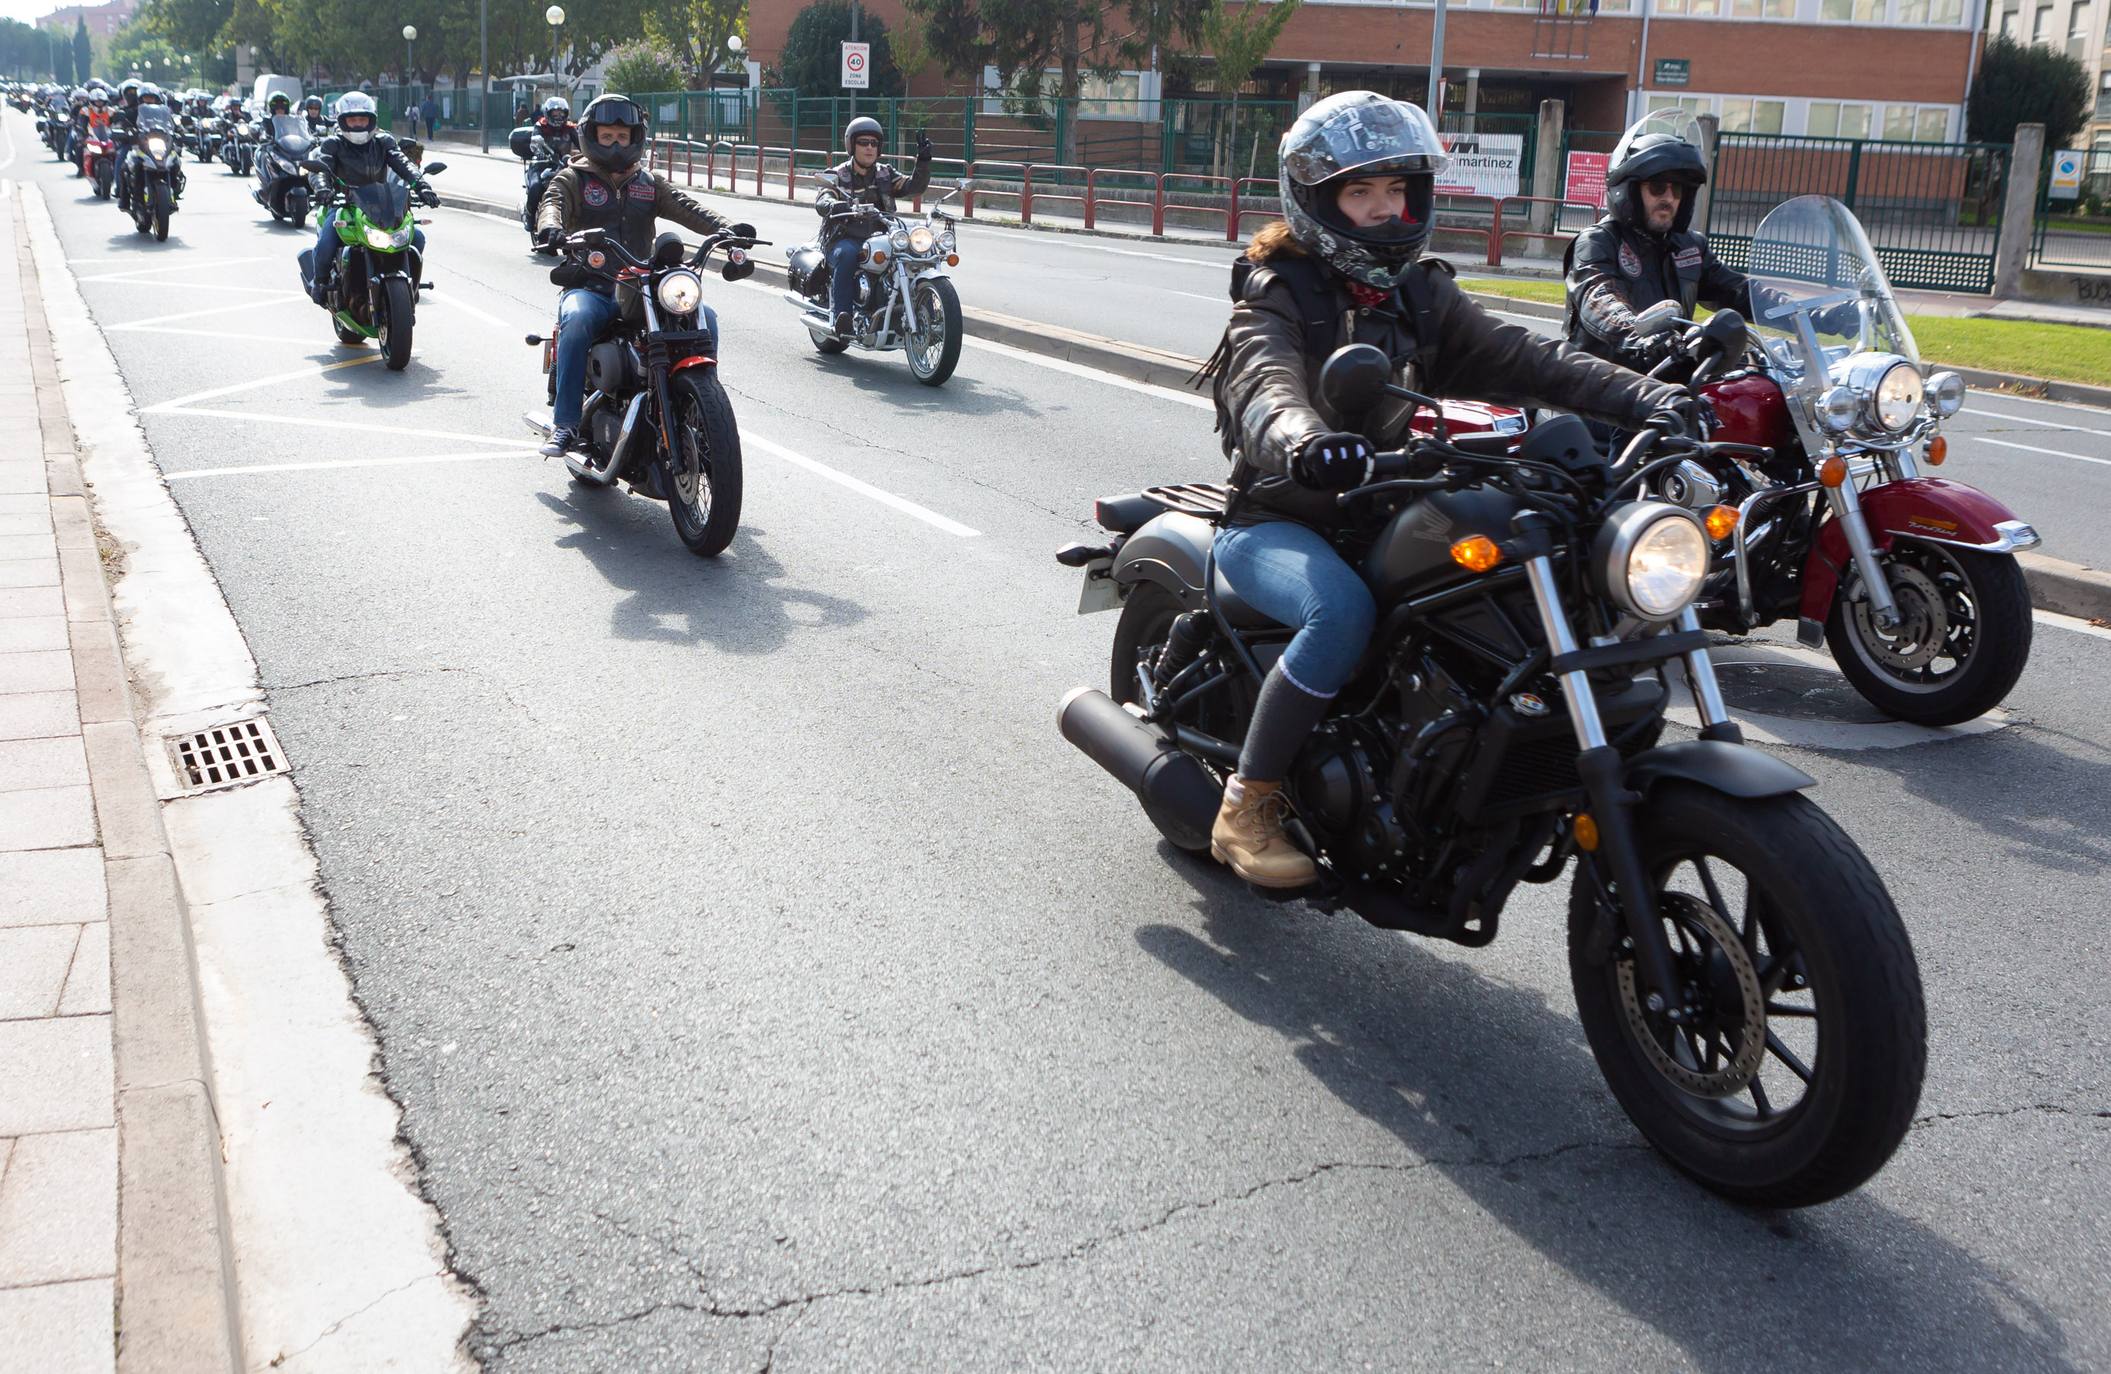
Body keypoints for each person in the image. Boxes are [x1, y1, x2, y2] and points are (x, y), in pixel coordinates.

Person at [1201, 91, 1699, 889]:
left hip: (1391, 503)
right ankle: (1247, 801)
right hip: (1285, 516)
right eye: (1360, 193)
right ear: (1318, 200)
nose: (1383, 210)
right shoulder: (1278, 292)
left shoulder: (1420, 293)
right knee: (1340, 614)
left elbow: (1530, 359)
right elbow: (1264, 386)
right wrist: (1303, 443)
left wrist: (1644, 396)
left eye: (1396, 191)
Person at [531, 94, 751, 458]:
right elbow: (551, 203)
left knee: (704, 318)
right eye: (607, 137)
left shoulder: (647, 182)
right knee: (577, 319)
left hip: (642, 288)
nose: (616, 144)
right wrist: (551, 228)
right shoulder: (574, 178)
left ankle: (702, 407)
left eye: (622, 136)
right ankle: (565, 423)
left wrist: (728, 230)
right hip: (594, 284)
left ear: (635, 137)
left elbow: (687, 207)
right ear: (591, 137)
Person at [1564, 118, 1755, 371]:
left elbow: (1738, 291)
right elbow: (1600, 298)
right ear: (1628, 190)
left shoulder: (1690, 246)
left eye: (1677, 190)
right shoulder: (1598, 242)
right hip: (1602, 387)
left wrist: (1801, 311)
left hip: (1665, 382)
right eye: (1657, 187)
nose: (1669, 198)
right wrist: (1638, 334)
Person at [300, 90, 436, 304]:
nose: (357, 124)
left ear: (371, 120)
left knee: (416, 237)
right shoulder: (332, 145)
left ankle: (411, 285)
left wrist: (422, 186)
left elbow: (404, 164)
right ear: (342, 121)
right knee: (327, 241)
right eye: (352, 120)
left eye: (362, 119)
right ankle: (320, 283)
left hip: (381, 206)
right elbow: (321, 170)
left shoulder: (384, 142)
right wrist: (323, 189)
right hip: (344, 204)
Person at [813, 116, 930, 337]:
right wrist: (831, 204)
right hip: (845, 237)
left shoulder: (886, 173)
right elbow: (823, 197)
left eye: (874, 143)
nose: (869, 147)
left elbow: (914, 187)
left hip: (882, 236)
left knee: (913, 254)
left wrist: (923, 162)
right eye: (863, 142)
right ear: (851, 144)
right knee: (847, 255)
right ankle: (842, 316)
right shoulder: (839, 174)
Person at [533, 95, 576, 161]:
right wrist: (539, 153)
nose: (559, 116)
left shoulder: (569, 127)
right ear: (548, 113)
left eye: (561, 113)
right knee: (534, 169)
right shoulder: (541, 125)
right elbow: (535, 141)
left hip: (565, 164)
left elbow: (582, 145)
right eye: (555, 114)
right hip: (543, 162)